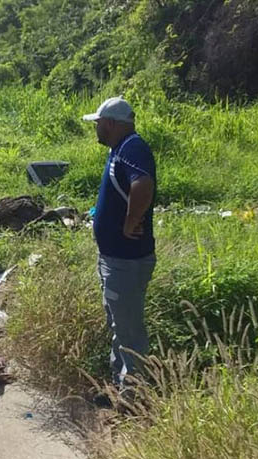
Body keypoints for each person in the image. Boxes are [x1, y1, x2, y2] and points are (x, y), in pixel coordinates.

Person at [82, 96, 156, 387]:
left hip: (126, 261)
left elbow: (143, 184)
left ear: (111, 124)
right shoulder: (121, 149)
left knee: (129, 331)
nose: (96, 129)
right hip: (114, 258)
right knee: (118, 325)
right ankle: (118, 387)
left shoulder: (132, 147)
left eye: (98, 124)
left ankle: (133, 398)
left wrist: (130, 221)